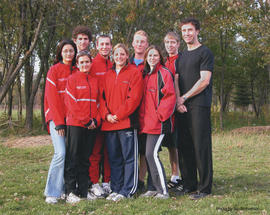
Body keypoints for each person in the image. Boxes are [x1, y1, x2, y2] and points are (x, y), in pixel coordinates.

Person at [175, 18, 214, 200]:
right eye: (184, 31)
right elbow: (176, 80)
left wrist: (185, 97)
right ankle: (189, 184)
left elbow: (204, 81)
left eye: (190, 30)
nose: (187, 34)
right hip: (182, 108)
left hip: (199, 106)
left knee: (201, 147)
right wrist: (178, 101)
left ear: (197, 31)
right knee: (185, 147)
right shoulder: (181, 56)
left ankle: (204, 188)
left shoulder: (205, 52)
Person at [99, 43, 143, 201]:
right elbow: (101, 99)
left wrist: (118, 115)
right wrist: (106, 115)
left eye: (122, 54)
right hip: (109, 124)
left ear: (127, 56)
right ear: (113, 56)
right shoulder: (107, 75)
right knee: (114, 158)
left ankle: (128, 190)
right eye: (116, 54)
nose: (119, 57)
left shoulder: (134, 72)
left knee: (129, 158)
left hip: (126, 123)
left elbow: (134, 99)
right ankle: (116, 189)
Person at [139, 45, 176, 199]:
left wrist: (160, 115)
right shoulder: (145, 74)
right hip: (145, 124)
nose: (152, 58)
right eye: (150, 56)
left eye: (155, 55)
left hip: (159, 123)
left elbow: (170, 97)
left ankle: (163, 191)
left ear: (159, 57)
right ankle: (152, 187)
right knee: (148, 155)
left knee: (151, 154)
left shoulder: (164, 73)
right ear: (146, 58)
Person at [44, 39, 77, 204]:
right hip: (57, 120)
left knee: (70, 155)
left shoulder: (76, 70)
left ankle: (65, 189)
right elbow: (52, 99)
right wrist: (58, 123)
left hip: (73, 121)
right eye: (65, 51)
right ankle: (52, 192)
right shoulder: (54, 70)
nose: (69, 54)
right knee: (60, 153)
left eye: (71, 51)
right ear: (60, 53)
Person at [64, 51, 100, 203]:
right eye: (82, 62)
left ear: (91, 63)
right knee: (73, 158)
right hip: (76, 124)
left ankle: (83, 191)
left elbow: (98, 103)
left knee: (86, 159)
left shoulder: (94, 80)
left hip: (91, 127)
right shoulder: (72, 79)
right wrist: (86, 120)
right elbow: (71, 104)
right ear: (77, 65)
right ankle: (70, 192)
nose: (85, 64)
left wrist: (96, 121)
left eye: (87, 62)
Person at [88, 35, 113, 197]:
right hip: (96, 116)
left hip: (111, 117)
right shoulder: (91, 64)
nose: (105, 46)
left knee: (109, 151)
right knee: (95, 152)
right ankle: (94, 182)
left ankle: (107, 182)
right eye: (101, 44)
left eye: (107, 44)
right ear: (97, 46)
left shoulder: (113, 64)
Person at [163, 32, 183, 189]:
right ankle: (175, 175)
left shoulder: (182, 60)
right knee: (171, 145)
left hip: (182, 108)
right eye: (167, 42)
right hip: (168, 111)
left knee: (182, 144)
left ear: (178, 44)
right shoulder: (163, 62)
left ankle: (186, 175)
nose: (170, 45)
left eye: (173, 42)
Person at [130, 30, 149, 191]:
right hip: (128, 112)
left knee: (143, 149)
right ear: (132, 43)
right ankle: (129, 179)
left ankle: (141, 181)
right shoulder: (125, 61)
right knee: (129, 149)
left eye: (143, 41)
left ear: (147, 45)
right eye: (137, 41)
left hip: (145, 112)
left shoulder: (150, 63)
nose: (140, 44)